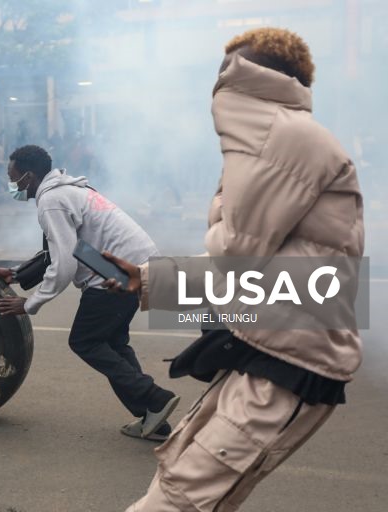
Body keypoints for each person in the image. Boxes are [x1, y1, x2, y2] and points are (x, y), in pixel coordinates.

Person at [102, 28, 364, 511]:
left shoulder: (286, 139)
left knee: (179, 498)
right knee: (183, 484)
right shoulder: (280, 140)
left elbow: (238, 255)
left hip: (288, 363)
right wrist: (149, 279)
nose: (217, 87)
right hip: (266, 348)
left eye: (229, 73)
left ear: (256, 80)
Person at [0, 145, 180, 441]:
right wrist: (16, 275)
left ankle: (154, 397)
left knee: (85, 341)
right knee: (113, 344)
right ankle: (152, 416)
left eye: (12, 176)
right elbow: (59, 252)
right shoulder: (67, 190)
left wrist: (30, 304)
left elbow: (64, 263)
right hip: (134, 268)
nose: (10, 183)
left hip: (115, 274)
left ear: (29, 175)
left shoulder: (52, 201)